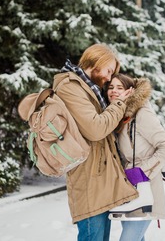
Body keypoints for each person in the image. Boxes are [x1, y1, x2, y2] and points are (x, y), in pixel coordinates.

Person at [52, 44, 138, 241]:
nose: (109, 78)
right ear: (97, 61)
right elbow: (96, 129)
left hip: (99, 180)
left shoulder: (89, 89)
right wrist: (119, 104)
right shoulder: (70, 87)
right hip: (89, 180)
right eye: (109, 71)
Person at [105, 73, 165, 241]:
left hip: (146, 188)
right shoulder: (120, 117)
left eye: (119, 88)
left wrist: (142, 172)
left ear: (130, 91)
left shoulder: (141, 114)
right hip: (130, 190)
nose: (114, 91)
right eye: (110, 87)